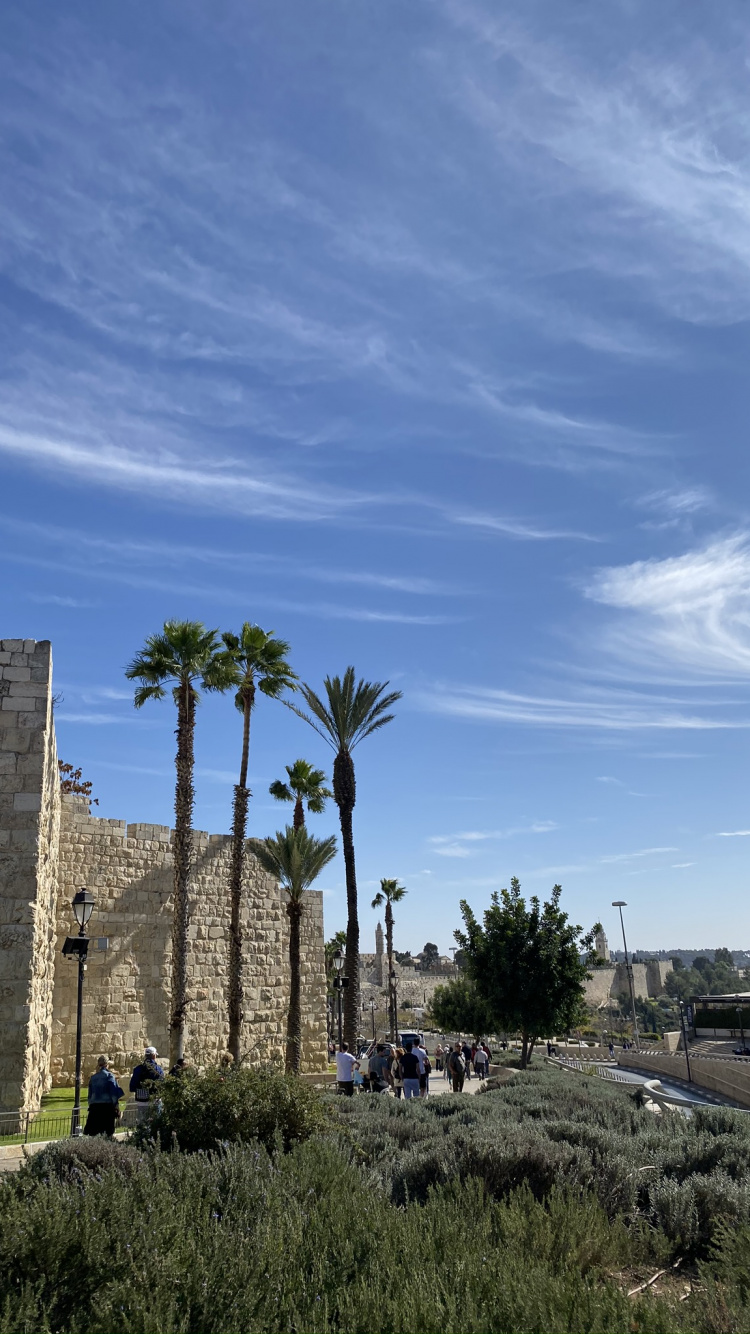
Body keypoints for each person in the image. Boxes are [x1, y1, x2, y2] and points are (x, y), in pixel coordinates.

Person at [83, 1056, 124, 1137]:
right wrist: (116, 1105)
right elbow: (113, 1093)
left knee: (94, 1133)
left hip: (94, 1109)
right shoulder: (110, 1076)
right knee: (107, 1133)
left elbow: (90, 1095)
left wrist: (91, 1104)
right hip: (107, 1108)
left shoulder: (93, 1078)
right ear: (107, 1064)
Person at [130, 1045, 165, 1121]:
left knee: (143, 1122)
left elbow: (132, 1085)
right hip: (155, 1099)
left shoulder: (138, 1069)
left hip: (141, 1099)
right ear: (153, 1056)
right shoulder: (158, 1069)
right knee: (156, 1122)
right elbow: (162, 1083)